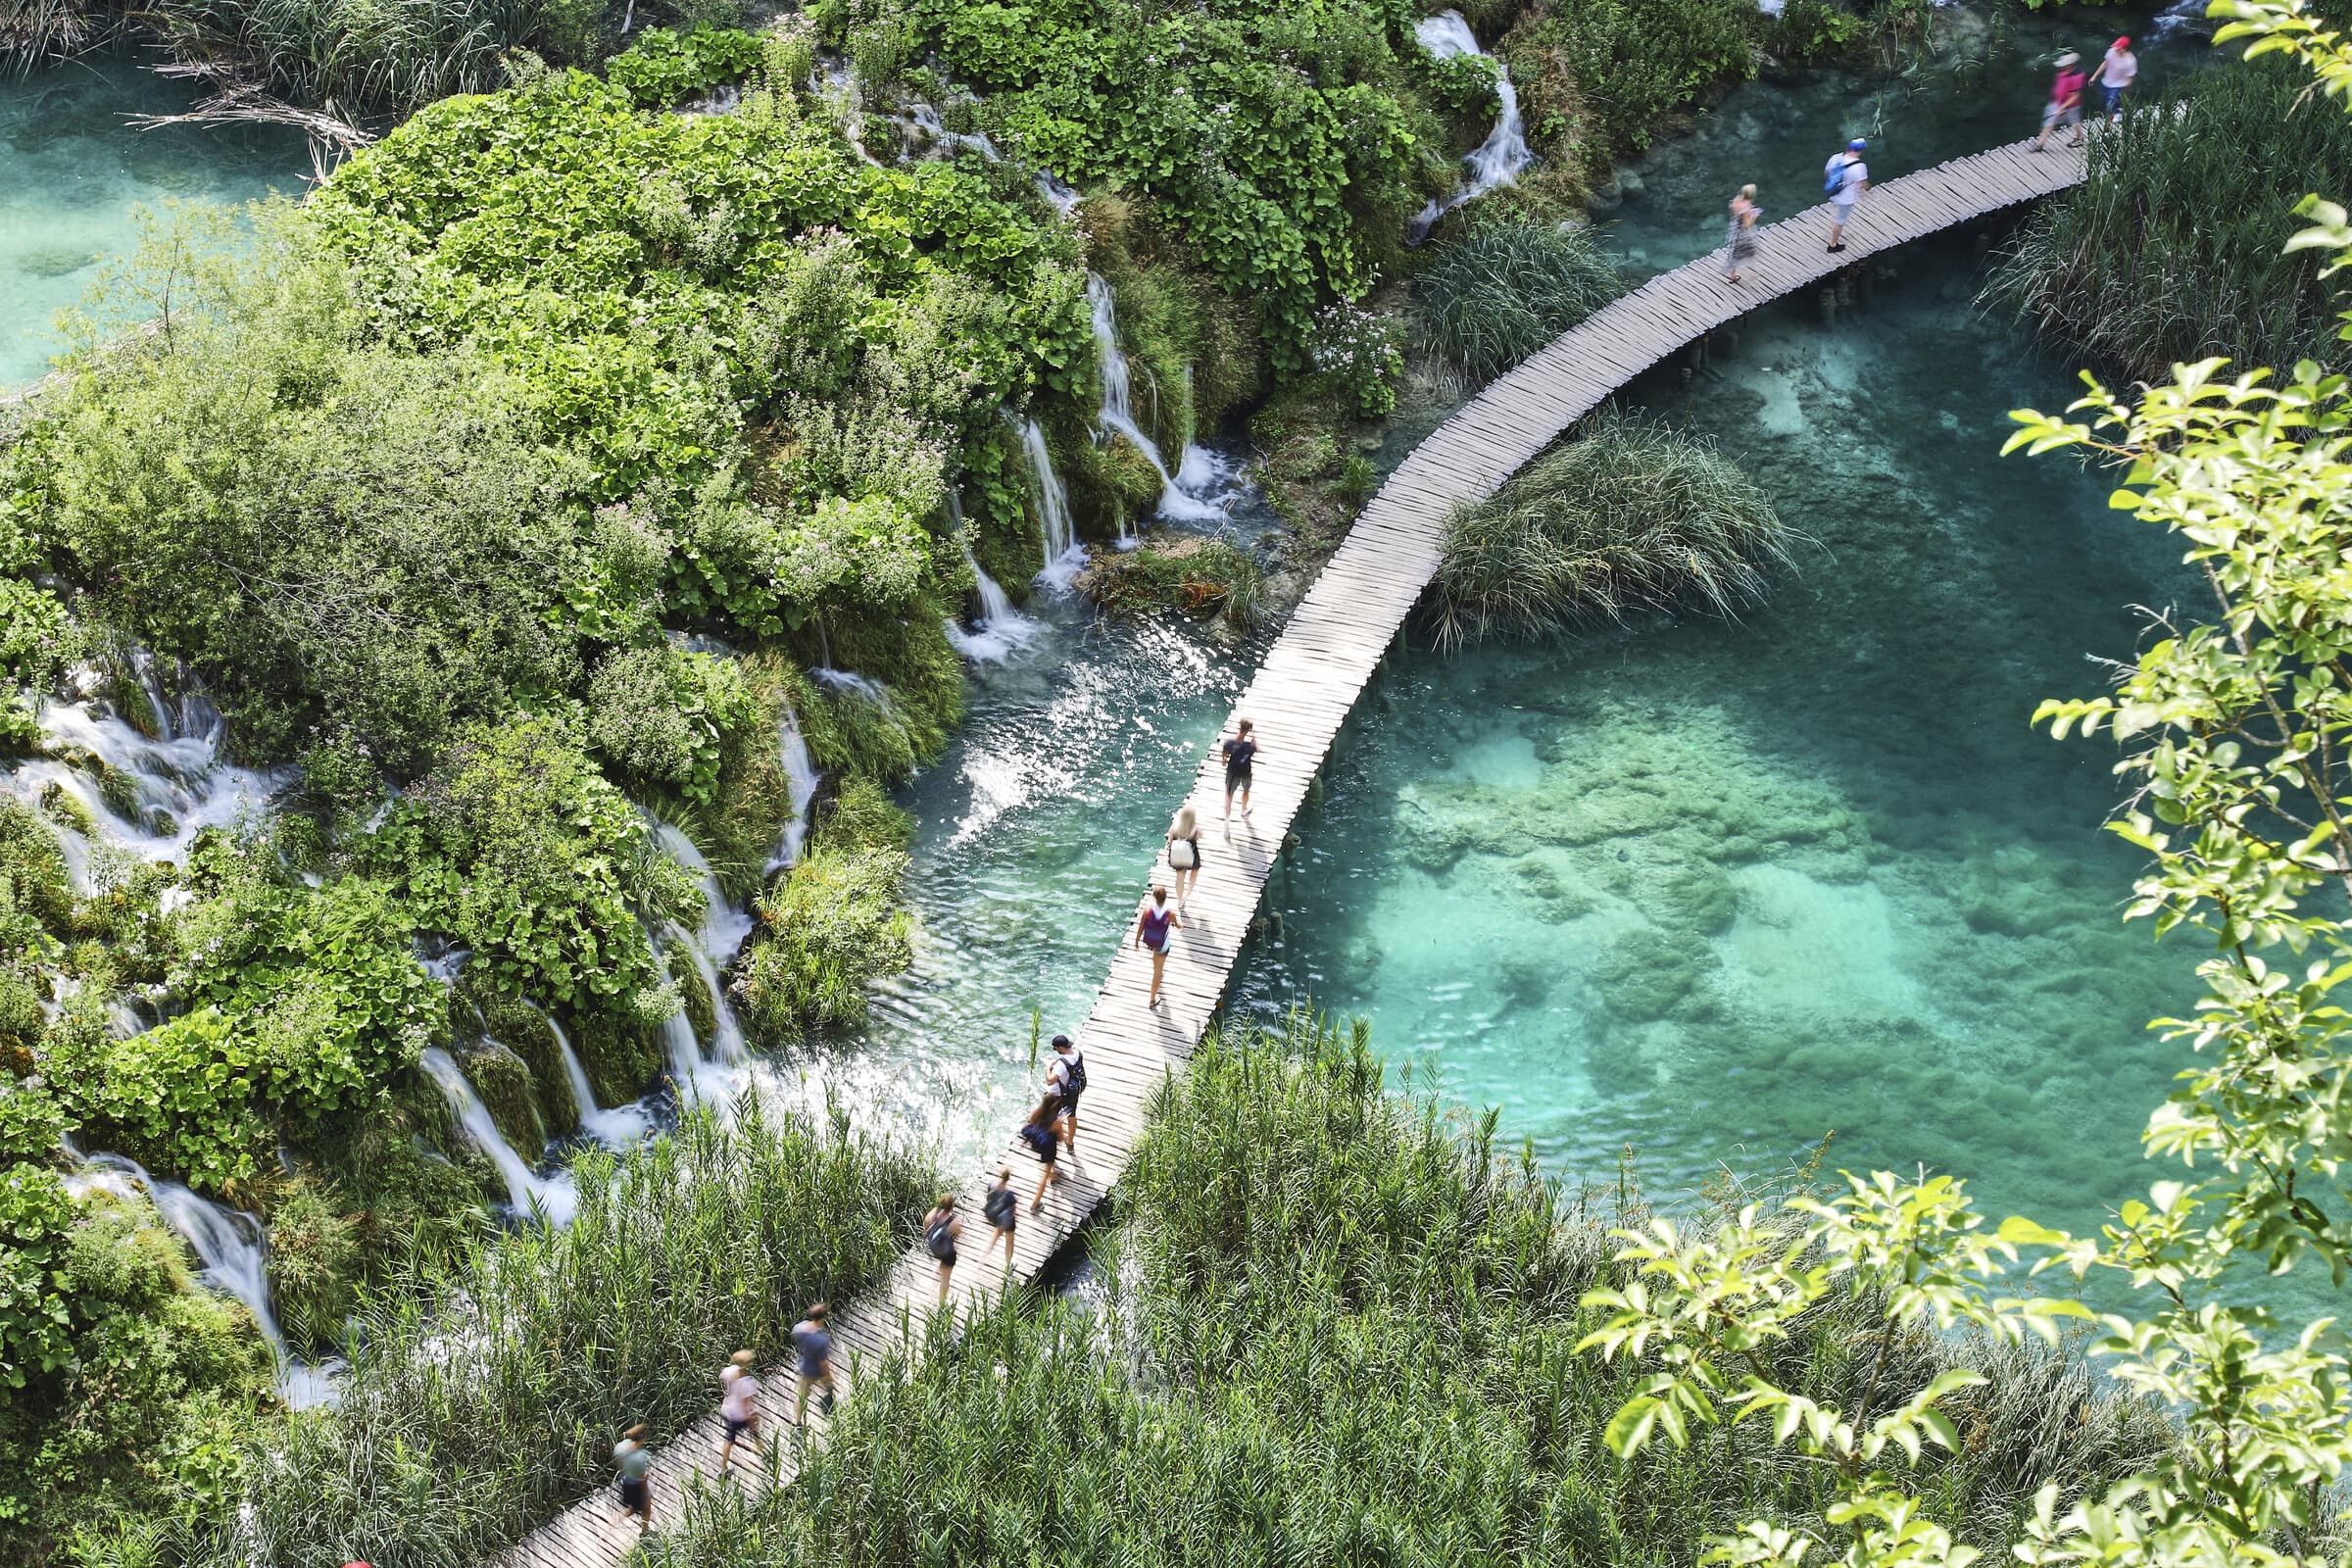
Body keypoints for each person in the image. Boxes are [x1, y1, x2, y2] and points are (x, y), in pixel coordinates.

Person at [1133, 884, 1181, 1008]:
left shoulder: (1147, 910)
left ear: (1154, 897)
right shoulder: (1170, 913)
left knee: (1157, 965)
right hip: (1163, 946)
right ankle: (1152, 1000)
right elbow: (1178, 925)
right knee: (1157, 973)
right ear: (1165, 898)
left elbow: (1141, 927)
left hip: (1152, 943)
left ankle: (1159, 974)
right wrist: (1181, 926)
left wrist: (1137, 941)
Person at [716, 1349, 760, 1475]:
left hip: (726, 1409)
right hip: (738, 1416)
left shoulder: (729, 1371)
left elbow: (721, 1376)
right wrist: (751, 1422)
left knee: (729, 1439)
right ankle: (758, 1443)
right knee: (756, 1417)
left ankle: (723, 1468)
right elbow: (746, 1406)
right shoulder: (747, 1383)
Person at [2033, 52, 2087, 151]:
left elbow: (2075, 96)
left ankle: (2080, 138)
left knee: (2074, 122)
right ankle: (2040, 144)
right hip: (2057, 102)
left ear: (2070, 65)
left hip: (2072, 105)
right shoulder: (2062, 74)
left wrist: (2063, 107)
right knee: (2050, 121)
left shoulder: (2078, 76)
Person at [791, 1302, 835, 1423]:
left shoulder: (799, 1328)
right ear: (823, 1318)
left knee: (801, 1397)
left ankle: (798, 1423)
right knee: (829, 1390)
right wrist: (829, 1379)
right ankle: (831, 1417)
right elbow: (823, 1363)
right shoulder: (821, 1339)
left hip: (804, 1368)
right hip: (818, 1372)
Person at [1019, 1094, 1063, 1212]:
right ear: (1054, 1105)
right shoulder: (1056, 1122)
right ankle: (1035, 1204)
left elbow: (1030, 1124)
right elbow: (1060, 1139)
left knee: (1049, 1166)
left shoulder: (1035, 1112)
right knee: (1044, 1176)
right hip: (1048, 1148)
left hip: (1036, 1144)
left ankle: (1054, 1176)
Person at [1824, 138, 1868, 253]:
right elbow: (1863, 184)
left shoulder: (1836, 158)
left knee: (1838, 215)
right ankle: (1832, 245)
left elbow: (1827, 174)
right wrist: (1867, 189)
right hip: (1846, 198)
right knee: (1840, 221)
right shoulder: (1859, 166)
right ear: (1861, 150)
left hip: (1834, 193)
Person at [1047, 1032, 1087, 1151]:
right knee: (1072, 1116)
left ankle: (1051, 1143)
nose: (1055, 1050)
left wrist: (1048, 1067)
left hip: (1060, 1095)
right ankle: (1070, 1143)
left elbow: (1050, 1080)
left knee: (1050, 1118)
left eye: (1055, 1048)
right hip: (1073, 1092)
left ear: (1061, 1047)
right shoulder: (1078, 1053)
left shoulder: (1061, 1064)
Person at [613, 1424, 655, 1534]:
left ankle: (614, 1523)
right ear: (642, 1438)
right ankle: (645, 1531)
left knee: (633, 1507)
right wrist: (646, 1492)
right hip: (637, 1485)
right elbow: (642, 1479)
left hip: (626, 1480)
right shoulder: (639, 1458)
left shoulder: (620, 1447)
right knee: (646, 1508)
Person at [923, 1193, 961, 1304]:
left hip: (934, 1248)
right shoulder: (953, 1222)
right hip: (947, 1254)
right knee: (946, 1279)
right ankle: (942, 1304)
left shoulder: (933, 1213)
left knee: (942, 1264)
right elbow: (957, 1234)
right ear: (952, 1206)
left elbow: (926, 1226)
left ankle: (934, 1282)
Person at [1220, 718, 1257, 832]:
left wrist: (1224, 760)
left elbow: (1224, 755)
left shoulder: (1230, 743)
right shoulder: (1249, 746)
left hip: (1233, 772)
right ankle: (1243, 809)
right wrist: (1254, 737)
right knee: (1246, 790)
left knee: (1229, 796)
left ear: (1239, 727)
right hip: (1246, 772)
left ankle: (1226, 824)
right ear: (1249, 730)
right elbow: (1258, 748)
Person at [1165, 804, 1203, 906]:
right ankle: (1188, 892)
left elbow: (1169, 840)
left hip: (1177, 854)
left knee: (1180, 877)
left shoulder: (1175, 827)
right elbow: (1200, 836)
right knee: (1194, 871)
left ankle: (1180, 899)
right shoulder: (1195, 829)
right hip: (1191, 853)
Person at [1723, 183, 1759, 283]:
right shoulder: (1746, 207)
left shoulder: (1737, 199)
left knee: (1733, 251)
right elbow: (1747, 225)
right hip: (1741, 233)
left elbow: (1733, 208)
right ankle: (1735, 273)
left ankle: (1732, 275)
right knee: (1745, 250)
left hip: (1734, 228)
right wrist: (1754, 215)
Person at [983, 1163, 1018, 1265]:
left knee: (995, 1237)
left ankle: (984, 1256)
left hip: (993, 1216)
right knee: (1010, 1241)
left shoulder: (991, 1185)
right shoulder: (1009, 1195)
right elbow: (1013, 1210)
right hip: (1005, 1220)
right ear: (1008, 1178)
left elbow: (988, 1198)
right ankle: (1008, 1265)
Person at [2098, 36, 2137, 122]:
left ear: (2124, 49)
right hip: (2107, 82)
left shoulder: (2130, 61)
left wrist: (2127, 90)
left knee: (2109, 105)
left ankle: (2108, 128)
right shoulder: (2111, 51)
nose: (2116, 49)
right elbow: (2105, 63)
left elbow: (2130, 77)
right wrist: (2094, 76)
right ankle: (2118, 111)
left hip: (2119, 85)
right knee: (2107, 101)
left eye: (2119, 48)